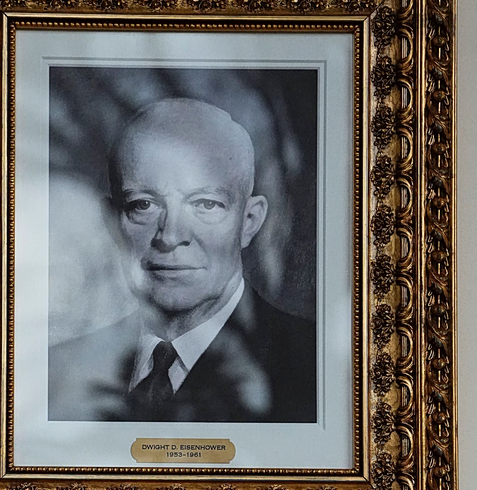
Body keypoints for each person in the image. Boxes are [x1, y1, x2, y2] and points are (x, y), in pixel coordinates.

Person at [48, 97, 316, 423]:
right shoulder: (56, 380)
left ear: (249, 222)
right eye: (143, 205)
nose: (171, 235)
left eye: (206, 204)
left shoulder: (324, 368)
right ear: (113, 222)